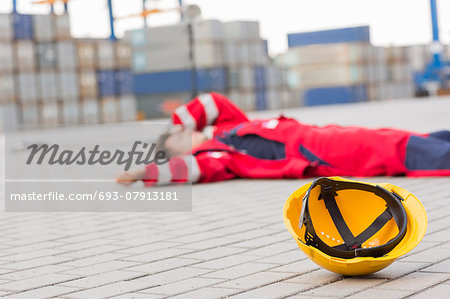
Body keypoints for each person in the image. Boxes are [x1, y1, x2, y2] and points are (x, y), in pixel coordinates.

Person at [117, 92, 450, 186]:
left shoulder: (227, 129)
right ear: (175, 151)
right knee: (389, 151)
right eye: (179, 137)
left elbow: (212, 102)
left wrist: (176, 122)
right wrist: (139, 173)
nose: (188, 132)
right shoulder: (216, 157)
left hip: (322, 134)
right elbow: (186, 170)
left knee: (398, 137)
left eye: (184, 130)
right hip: (316, 151)